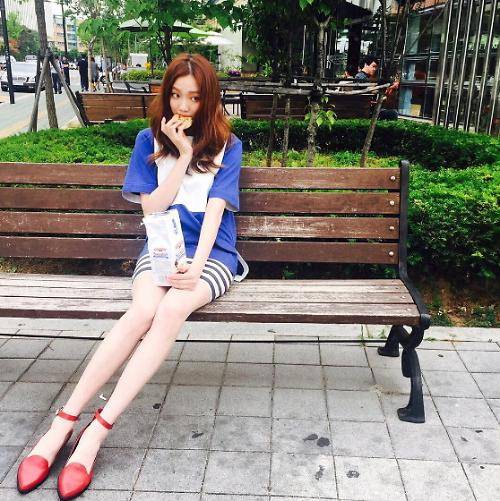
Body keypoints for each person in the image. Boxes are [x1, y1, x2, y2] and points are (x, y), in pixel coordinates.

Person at [15, 52, 249, 501]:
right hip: (161, 245)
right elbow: (152, 210)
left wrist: (196, 266)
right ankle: (62, 423)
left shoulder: (227, 144)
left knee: (172, 309)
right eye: (176, 95)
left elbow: (217, 213)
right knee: (143, 310)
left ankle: (96, 432)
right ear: (165, 95)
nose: (184, 106)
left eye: (194, 97)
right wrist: (181, 155)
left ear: (209, 99)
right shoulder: (148, 140)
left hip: (212, 254)